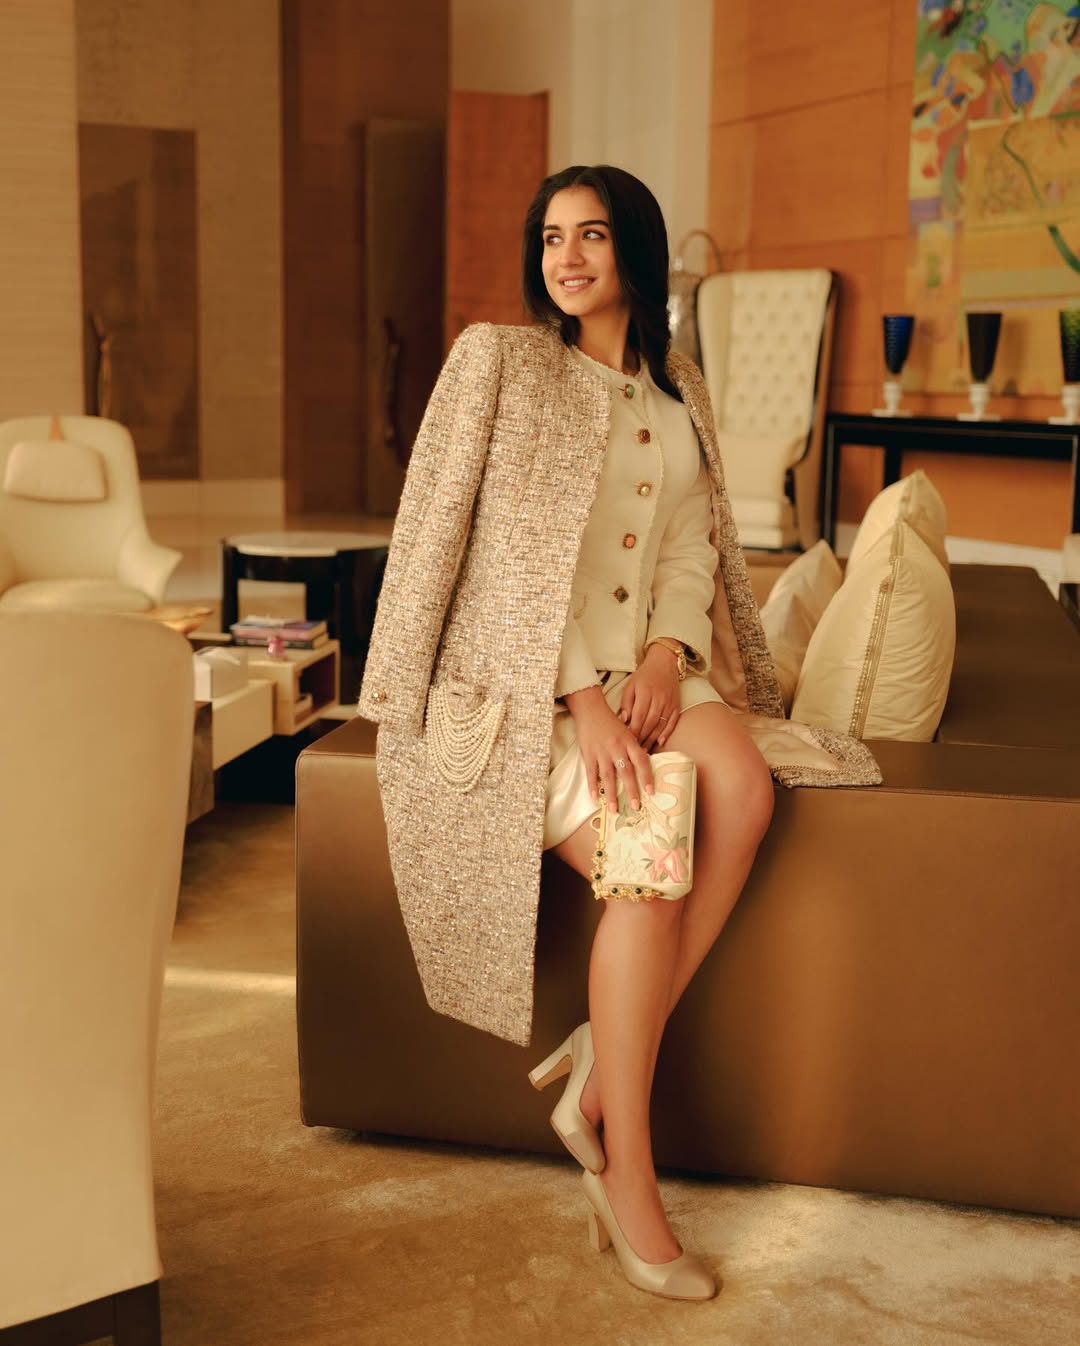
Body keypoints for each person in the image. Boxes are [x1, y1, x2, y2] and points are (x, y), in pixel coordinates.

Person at [356, 165, 879, 1303]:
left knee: (745, 790)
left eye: (591, 235)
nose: (568, 258)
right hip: (529, 691)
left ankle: (602, 1050)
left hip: (652, 670)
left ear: (633, 249)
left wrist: (663, 658)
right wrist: (586, 700)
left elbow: (692, 545)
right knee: (650, 859)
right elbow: (497, 560)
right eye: (552, 238)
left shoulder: (679, 388)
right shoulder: (506, 365)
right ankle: (623, 1169)